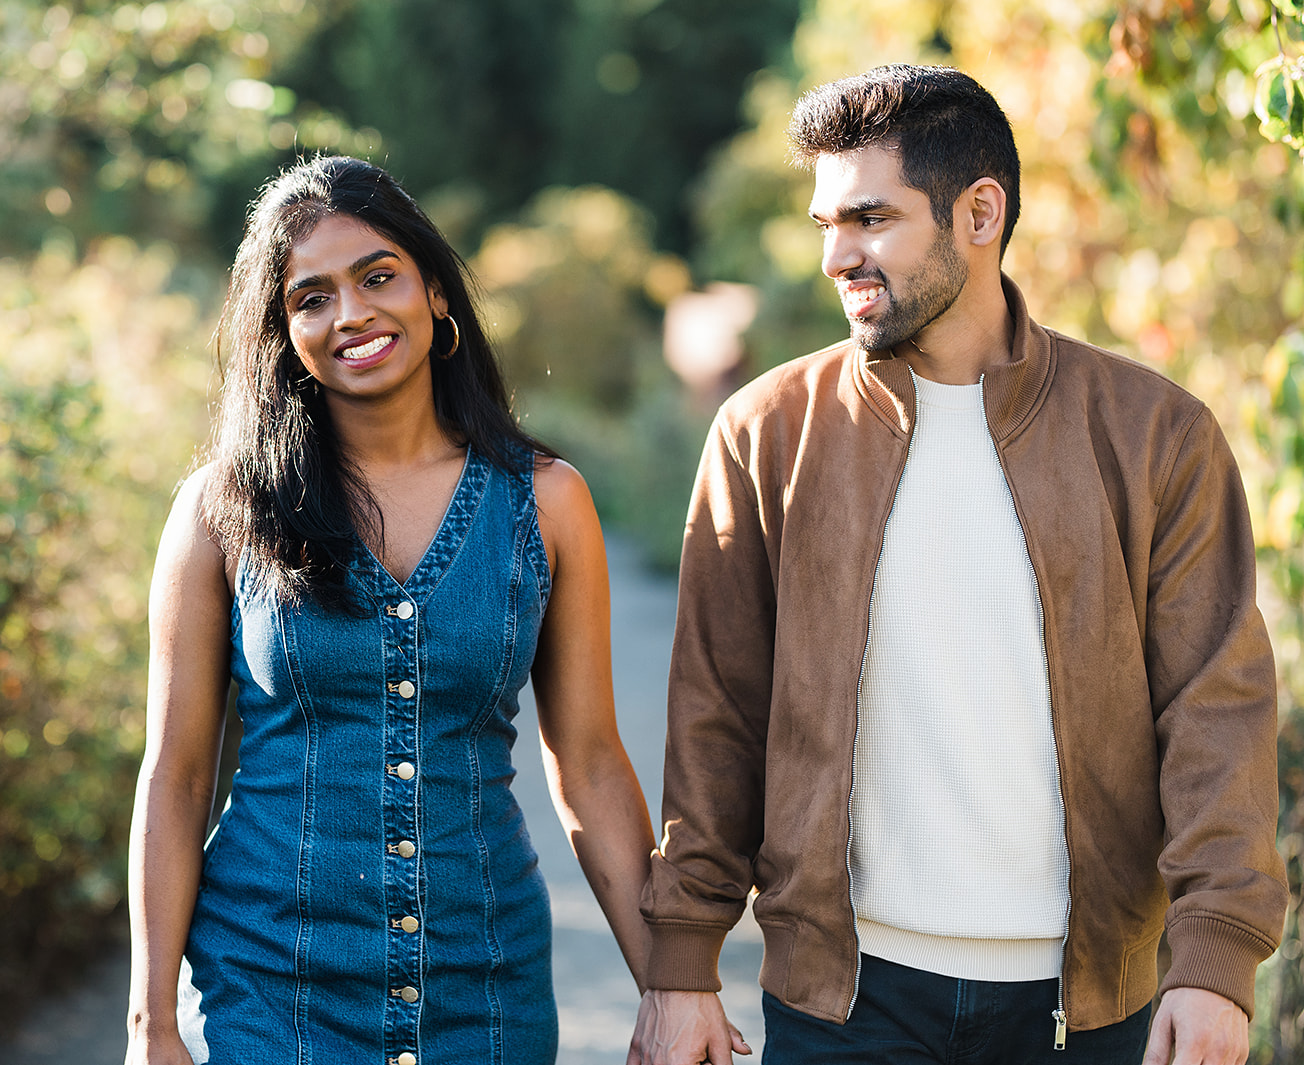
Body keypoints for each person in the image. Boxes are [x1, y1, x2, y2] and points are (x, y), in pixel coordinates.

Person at [629, 65, 1286, 1065]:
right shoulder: (765, 433)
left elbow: (1214, 707)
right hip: (844, 1007)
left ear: (979, 213)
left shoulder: (1152, 435)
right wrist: (681, 967)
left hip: (1094, 1005)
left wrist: (1213, 963)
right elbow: (716, 709)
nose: (835, 254)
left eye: (869, 219)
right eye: (823, 224)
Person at [124, 155, 655, 1065]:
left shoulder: (547, 502)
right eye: (311, 298)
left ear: (437, 294)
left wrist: (674, 988)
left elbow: (594, 765)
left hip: (481, 985)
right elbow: (176, 777)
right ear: (282, 332)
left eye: (378, 277)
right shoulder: (222, 511)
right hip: (268, 986)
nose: (352, 315)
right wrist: (152, 1025)